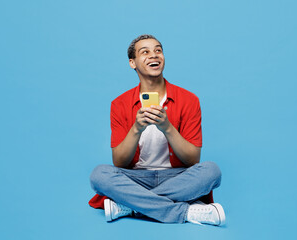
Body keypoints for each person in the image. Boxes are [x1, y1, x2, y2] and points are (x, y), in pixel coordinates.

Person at [89, 34, 225, 226]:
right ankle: (185, 212)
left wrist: (167, 127)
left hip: (178, 177)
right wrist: (136, 129)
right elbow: (119, 162)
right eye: (145, 52)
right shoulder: (119, 104)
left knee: (212, 171)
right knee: (99, 175)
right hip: (136, 179)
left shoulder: (189, 100)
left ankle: (132, 206)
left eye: (158, 50)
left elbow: (193, 160)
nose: (154, 55)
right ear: (132, 63)